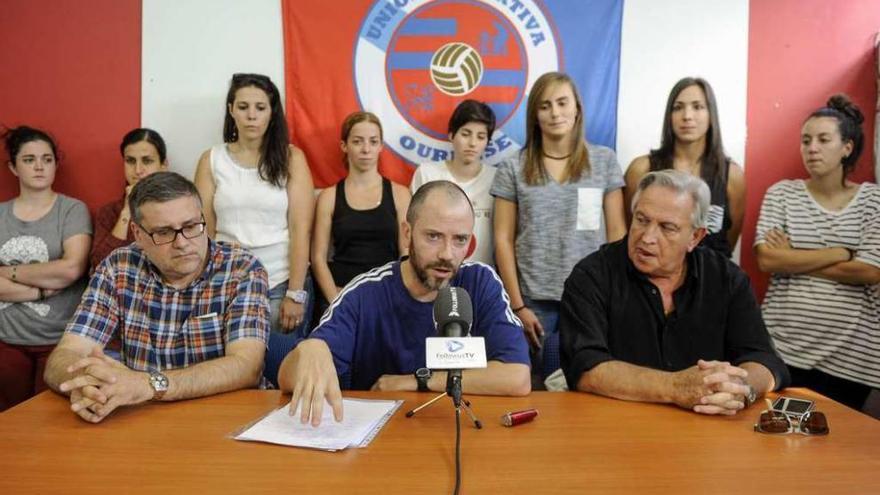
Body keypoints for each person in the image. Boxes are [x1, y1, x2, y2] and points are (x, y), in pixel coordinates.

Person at [273, 181, 530, 426]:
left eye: (460, 240)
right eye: (433, 236)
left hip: (454, 426)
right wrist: (310, 349)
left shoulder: (481, 282)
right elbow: (288, 378)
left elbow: (517, 377)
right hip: (383, 439)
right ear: (407, 233)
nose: (447, 254)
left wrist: (418, 381)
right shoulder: (365, 293)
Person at [43, 172, 269, 423]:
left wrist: (150, 384)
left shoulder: (242, 268)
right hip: (143, 417)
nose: (182, 243)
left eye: (192, 226)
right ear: (138, 234)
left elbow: (247, 366)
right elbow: (64, 355)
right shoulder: (118, 267)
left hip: (225, 418)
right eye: (163, 232)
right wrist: (89, 382)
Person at [560, 170, 789, 415]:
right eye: (641, 220)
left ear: (695, 237)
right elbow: (585, 369)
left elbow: (765, 360)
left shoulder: (727, 279)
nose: (647, 237)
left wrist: (739, 388)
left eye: (667, 228)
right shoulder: (592, 275)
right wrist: (675, 387)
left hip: (704, 430)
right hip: (616, 425)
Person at [491, 72, 626, 388]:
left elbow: (618, 234)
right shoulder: (514, 167)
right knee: (537, 389)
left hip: (592, 299)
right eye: (545, 106)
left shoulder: (604, 161)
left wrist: (618, 298)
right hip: (534, 304)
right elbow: (502, 239)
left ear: (577, 108)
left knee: (591, 389)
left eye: (562, 103)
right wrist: (517, 305)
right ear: (534, 115)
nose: (555, 113)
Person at [755, 95, 880, 411]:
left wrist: (793, 258)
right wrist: (840, 252)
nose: (812, 148)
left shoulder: (872, 201)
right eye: (806, 140)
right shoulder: (782, 194)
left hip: (852, 357)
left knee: (833, 448)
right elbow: (767, 260)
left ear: (847, 148)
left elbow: (869, 271)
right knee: (774, 439)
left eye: (824, 139)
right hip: (781, 347)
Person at [195, 73, 314, 334]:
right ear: (231, 110)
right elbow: (204, 231)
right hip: (226, 281)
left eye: (260, 108)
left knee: (276, 367)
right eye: (243, 107)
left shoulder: (291, 158)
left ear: (272, 113)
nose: (251, 115)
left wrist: (295, 293)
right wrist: (205, 284)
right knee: (231, 367)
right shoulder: (211, 160)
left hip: (280, 282)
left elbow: (300, 229)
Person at [0, 126, 92, 411]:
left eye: (47, 159)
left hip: (60, 341)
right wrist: (40, 292)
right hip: (6, 341)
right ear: (13, 167)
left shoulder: (72, 210)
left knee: (50, 421)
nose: (39, 166)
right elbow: (59, 273)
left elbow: (71, 269)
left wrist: (6, 272)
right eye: (29, 160)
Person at [624, 77, 745, 258]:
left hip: (711, 281)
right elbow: (631, 231)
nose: (687, 116)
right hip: (650, 280)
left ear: (711, 115)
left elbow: (729, 240)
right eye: (678, 107)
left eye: (697, 107)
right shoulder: (641, 169)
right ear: (669, 116)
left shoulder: (732, 175)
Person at [311, 112, 409, 321]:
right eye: (357, 141)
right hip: (340, 292)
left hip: (388, 294)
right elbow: (318, 257)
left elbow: (406, 253)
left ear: (381, 146)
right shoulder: (328, 197)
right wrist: (335, 299)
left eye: (373, 142)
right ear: (344, 146)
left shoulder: (400, 194)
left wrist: (398, 295)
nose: (366, 149)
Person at [411, 99, 497, 265]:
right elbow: (413, 229)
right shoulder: (427, 174)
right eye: (465, 134)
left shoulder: (497, 178)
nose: (472, 143)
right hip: (434, 271)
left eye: (481, 137)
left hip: (481, 277)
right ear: (451, 135)